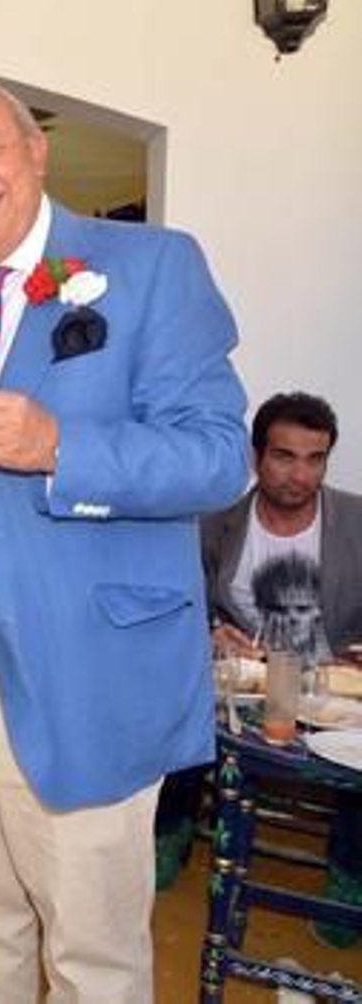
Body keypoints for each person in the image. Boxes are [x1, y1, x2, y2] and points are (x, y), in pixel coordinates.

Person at [0, 76, 247, 1002]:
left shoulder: (151, 267)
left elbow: (218, 458)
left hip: (87, 672)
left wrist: (61, 447)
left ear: (36, 151)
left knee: (91, 962)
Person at [184, 391, 362, 944]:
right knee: (174, 693)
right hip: (246, 686)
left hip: (335, 688)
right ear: (256, 456)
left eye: (315, 459)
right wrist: (211, 631)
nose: (300, 475)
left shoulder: (356, 522)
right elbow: (183, 600)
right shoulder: (215, 522)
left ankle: (349, 876)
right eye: (285, 456)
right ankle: (171, 830)